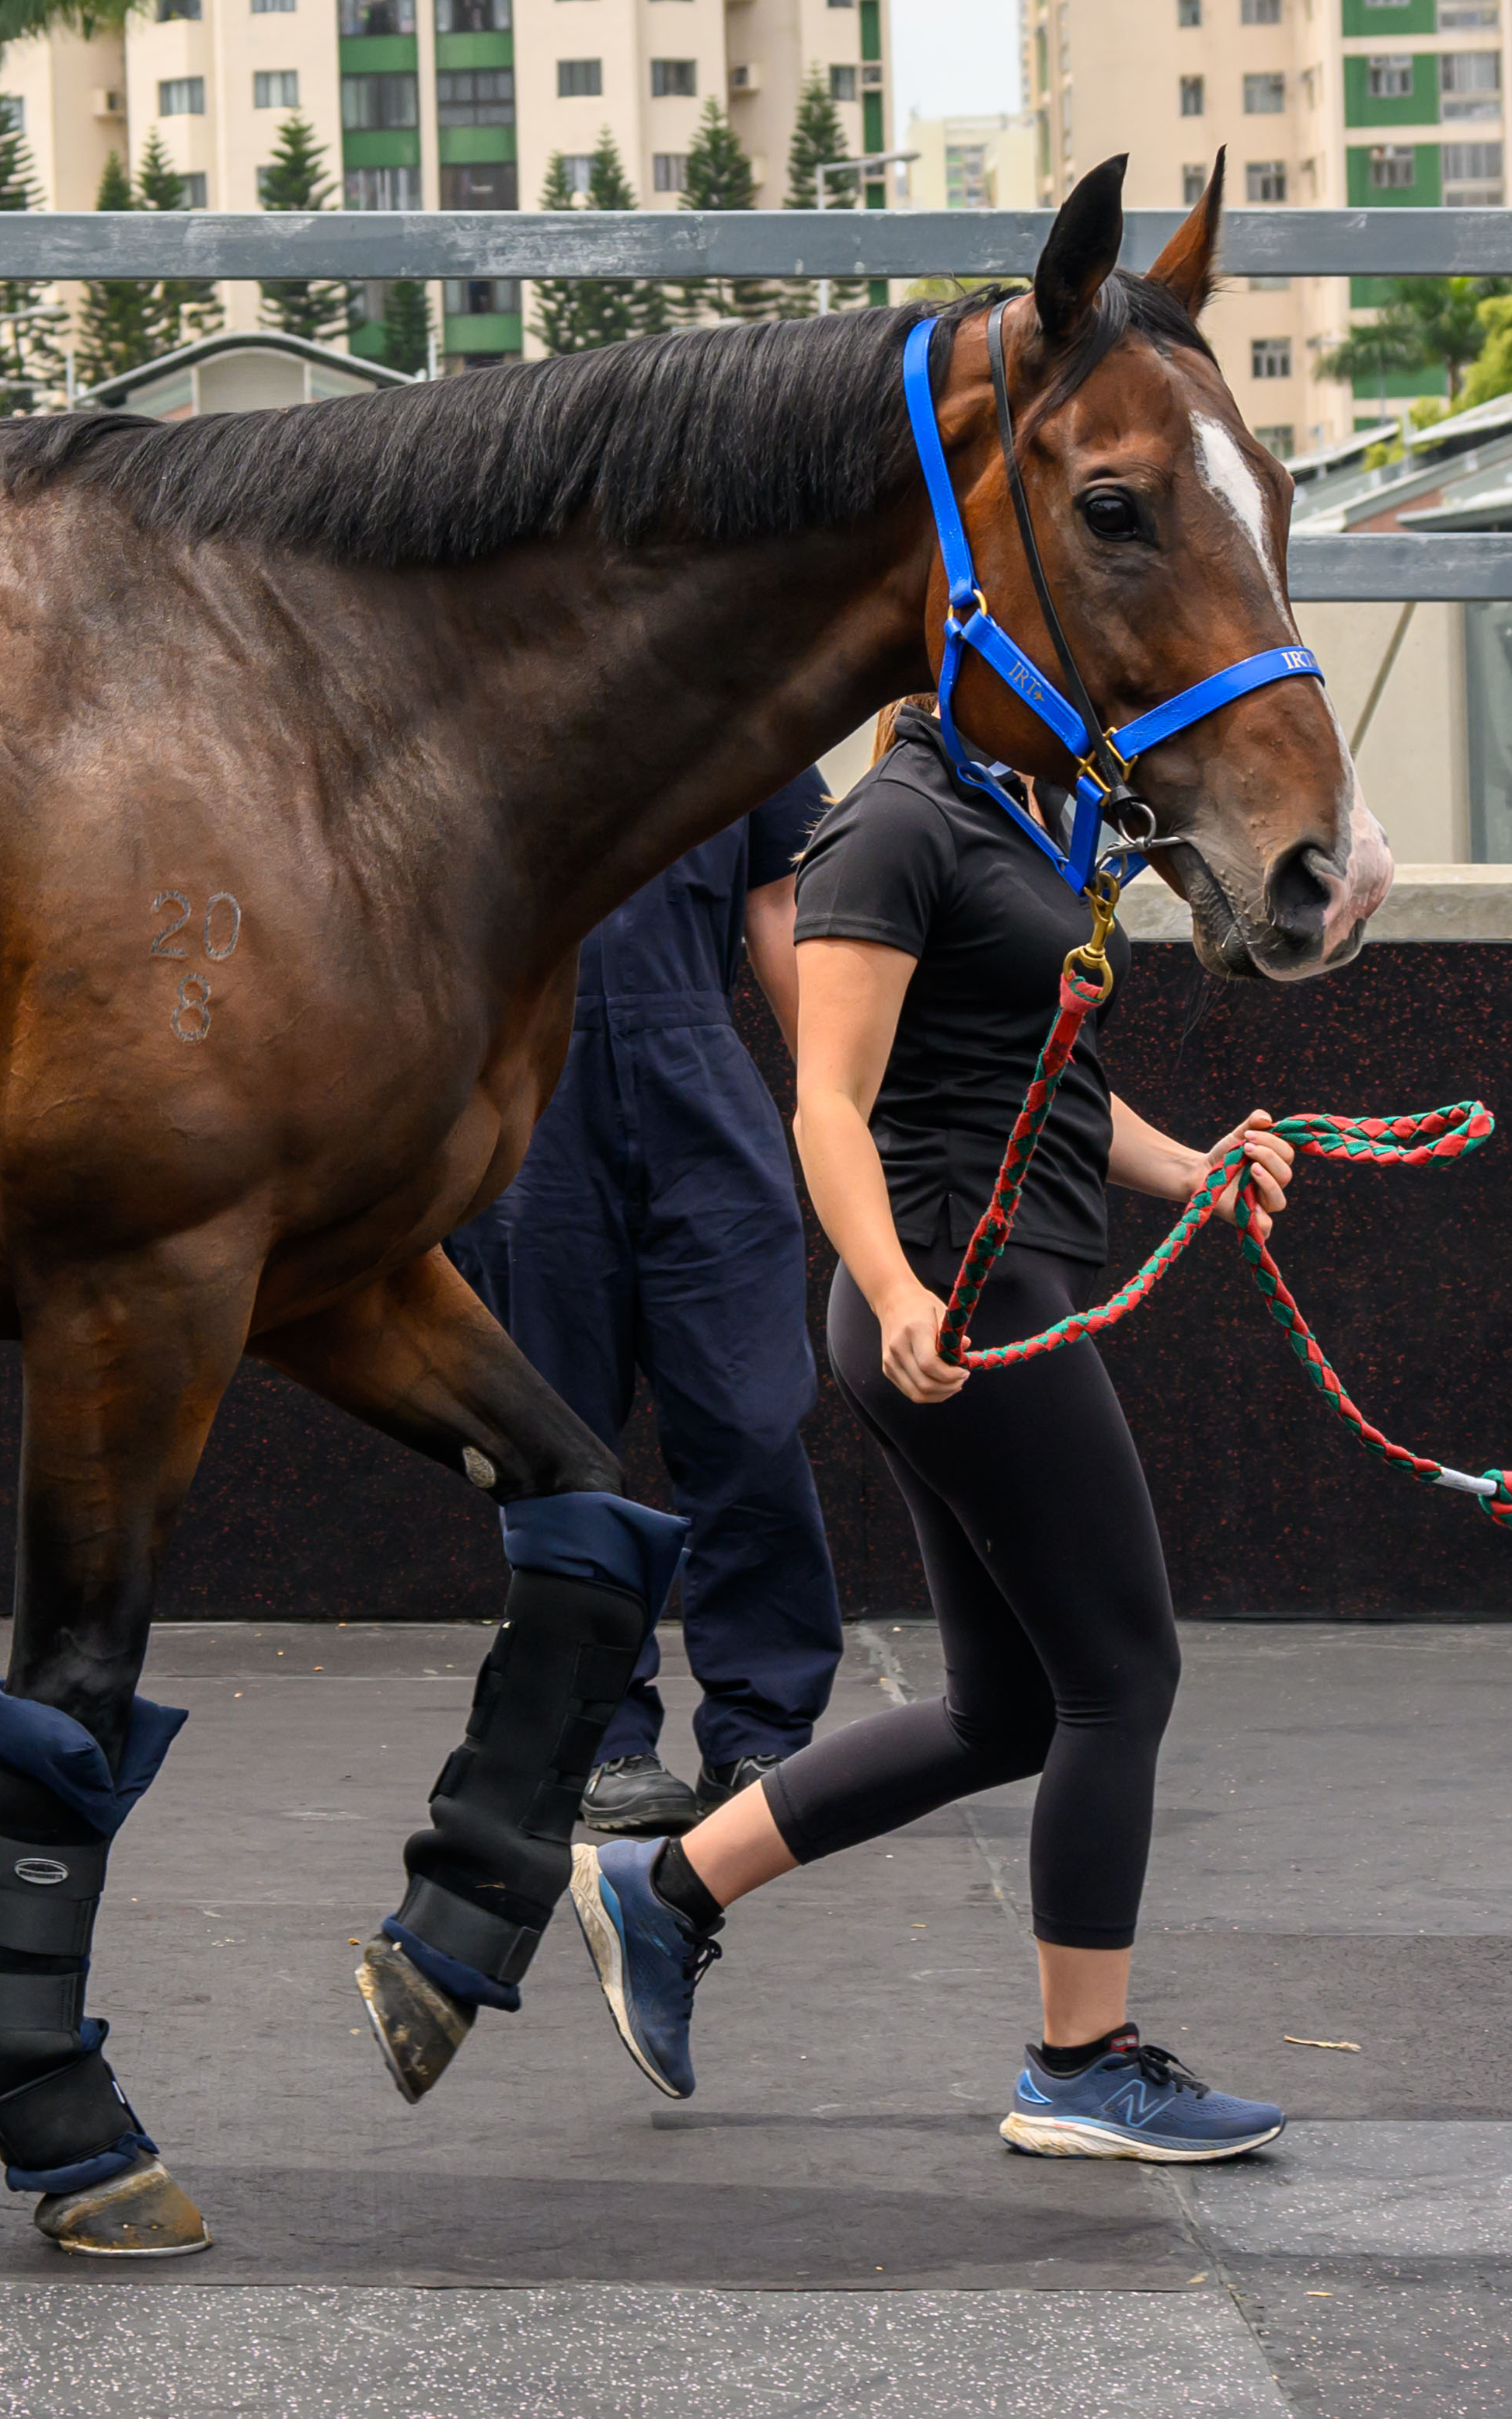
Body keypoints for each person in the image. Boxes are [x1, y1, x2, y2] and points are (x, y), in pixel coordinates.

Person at [562, 707, 1300, 2163]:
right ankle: (1081, 2063)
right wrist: (898, 1289)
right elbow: (827, 1102)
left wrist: (1198, 1171)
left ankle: (667, 1889)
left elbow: (1052, 1093)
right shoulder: (891, 824)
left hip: (982, 1280)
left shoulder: (1009, 818)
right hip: (959, 1292)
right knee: (1124, 1672)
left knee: (1007, 1711)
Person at [474, 772, 845, 1842]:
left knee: (751, 1418)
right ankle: (601, 1735)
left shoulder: (732, 692)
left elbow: (779, 903)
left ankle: (762, 1730)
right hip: (533, 1101)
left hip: (701, 1079)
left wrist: (837, 1100)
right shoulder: (494, 672)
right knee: (558, 1444)